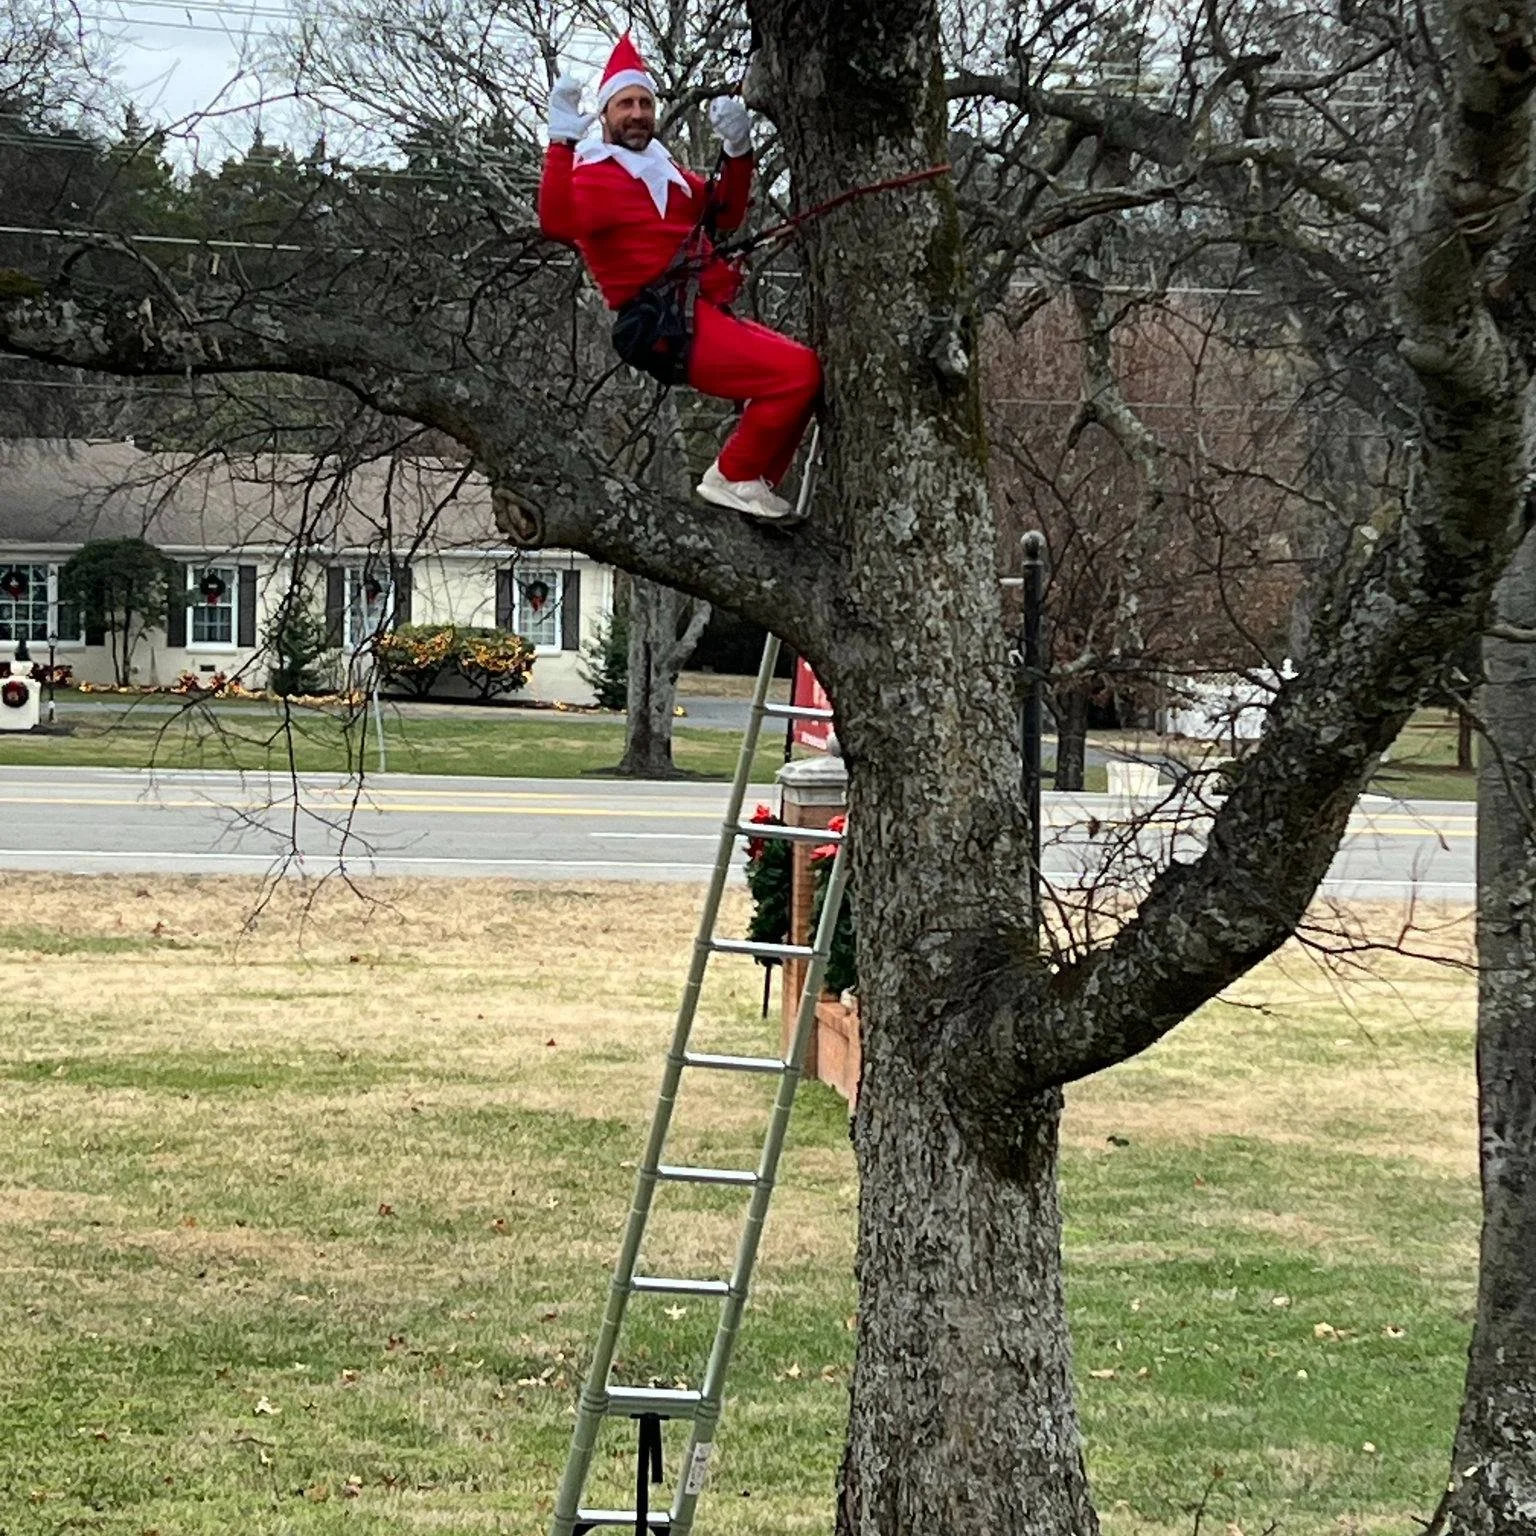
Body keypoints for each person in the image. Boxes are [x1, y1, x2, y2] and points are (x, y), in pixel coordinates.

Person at [538, 34, 821, 523]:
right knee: (796, 374)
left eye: (644, 103)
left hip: (703, 312)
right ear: (605, 115)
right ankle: (733, 475)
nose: (637, 113)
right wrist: (561, 142)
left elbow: (725, 213)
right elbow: (557, 222)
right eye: (624, 103)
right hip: (670, 325)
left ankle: (753, 483)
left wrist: (738, 150)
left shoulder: (664, 170)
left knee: (805, 369)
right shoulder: (593, 174)